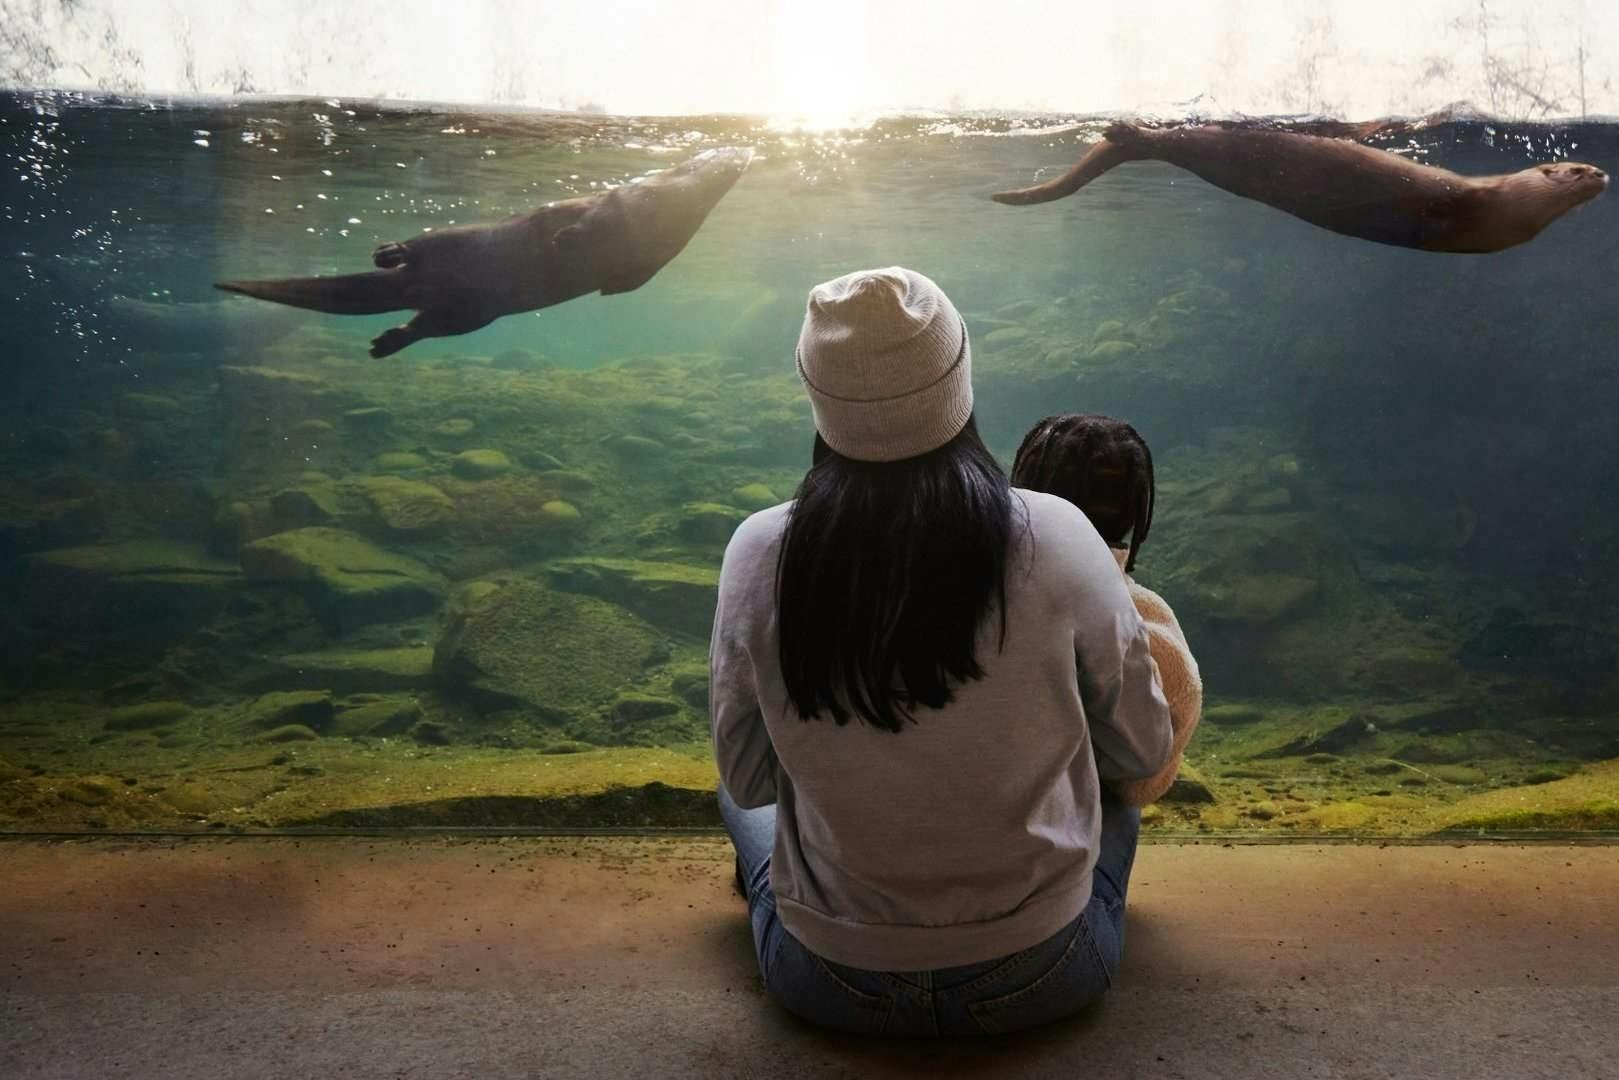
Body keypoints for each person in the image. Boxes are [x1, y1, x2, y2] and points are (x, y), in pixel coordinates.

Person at [709, 267, 1173, 1037]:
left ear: (815, 394)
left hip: (827, 980)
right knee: (1117, 805)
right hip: (1043, 973)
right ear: (959, 377)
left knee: (732, 799)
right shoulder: (1060, 532)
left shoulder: (759, 549)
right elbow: (1142, 748)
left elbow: (750, 776)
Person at [1010, 414, 1203, 807]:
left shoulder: (967, 587)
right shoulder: (1138, 619)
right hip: (1055, 844)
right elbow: (1147, 767)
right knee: (1121, 810)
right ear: (1135, 512)